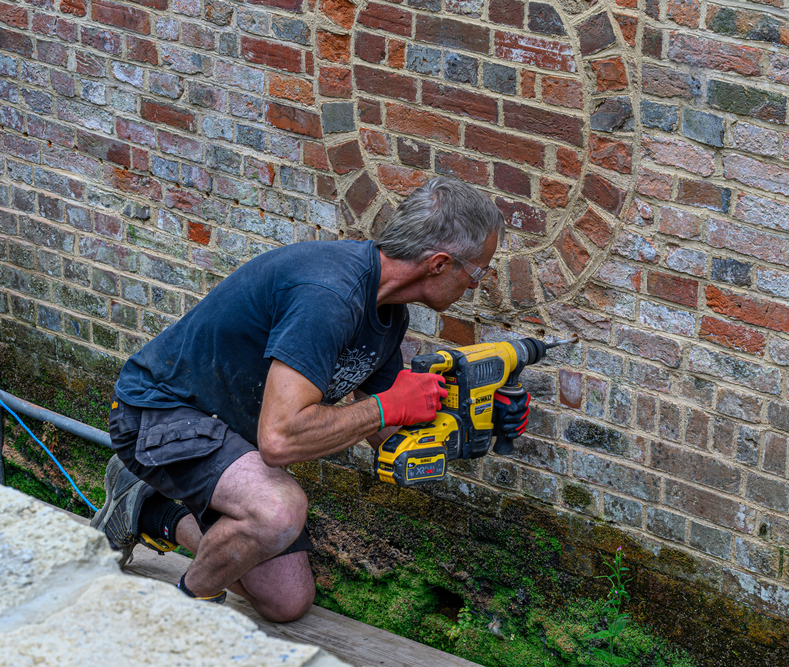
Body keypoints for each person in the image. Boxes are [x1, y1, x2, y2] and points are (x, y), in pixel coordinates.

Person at [90, 177, 529, 623]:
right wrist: (388, 405)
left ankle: (147, 509)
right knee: (279, 510)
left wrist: (477, 422)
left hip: (230, 437)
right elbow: (280, 440)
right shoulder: (330, 295)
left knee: (287, 601)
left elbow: (387, 436)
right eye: (477, 273)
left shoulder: (387, 314)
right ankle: (181, 617)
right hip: (158, 414)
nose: (475, 287)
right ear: (438, 263)